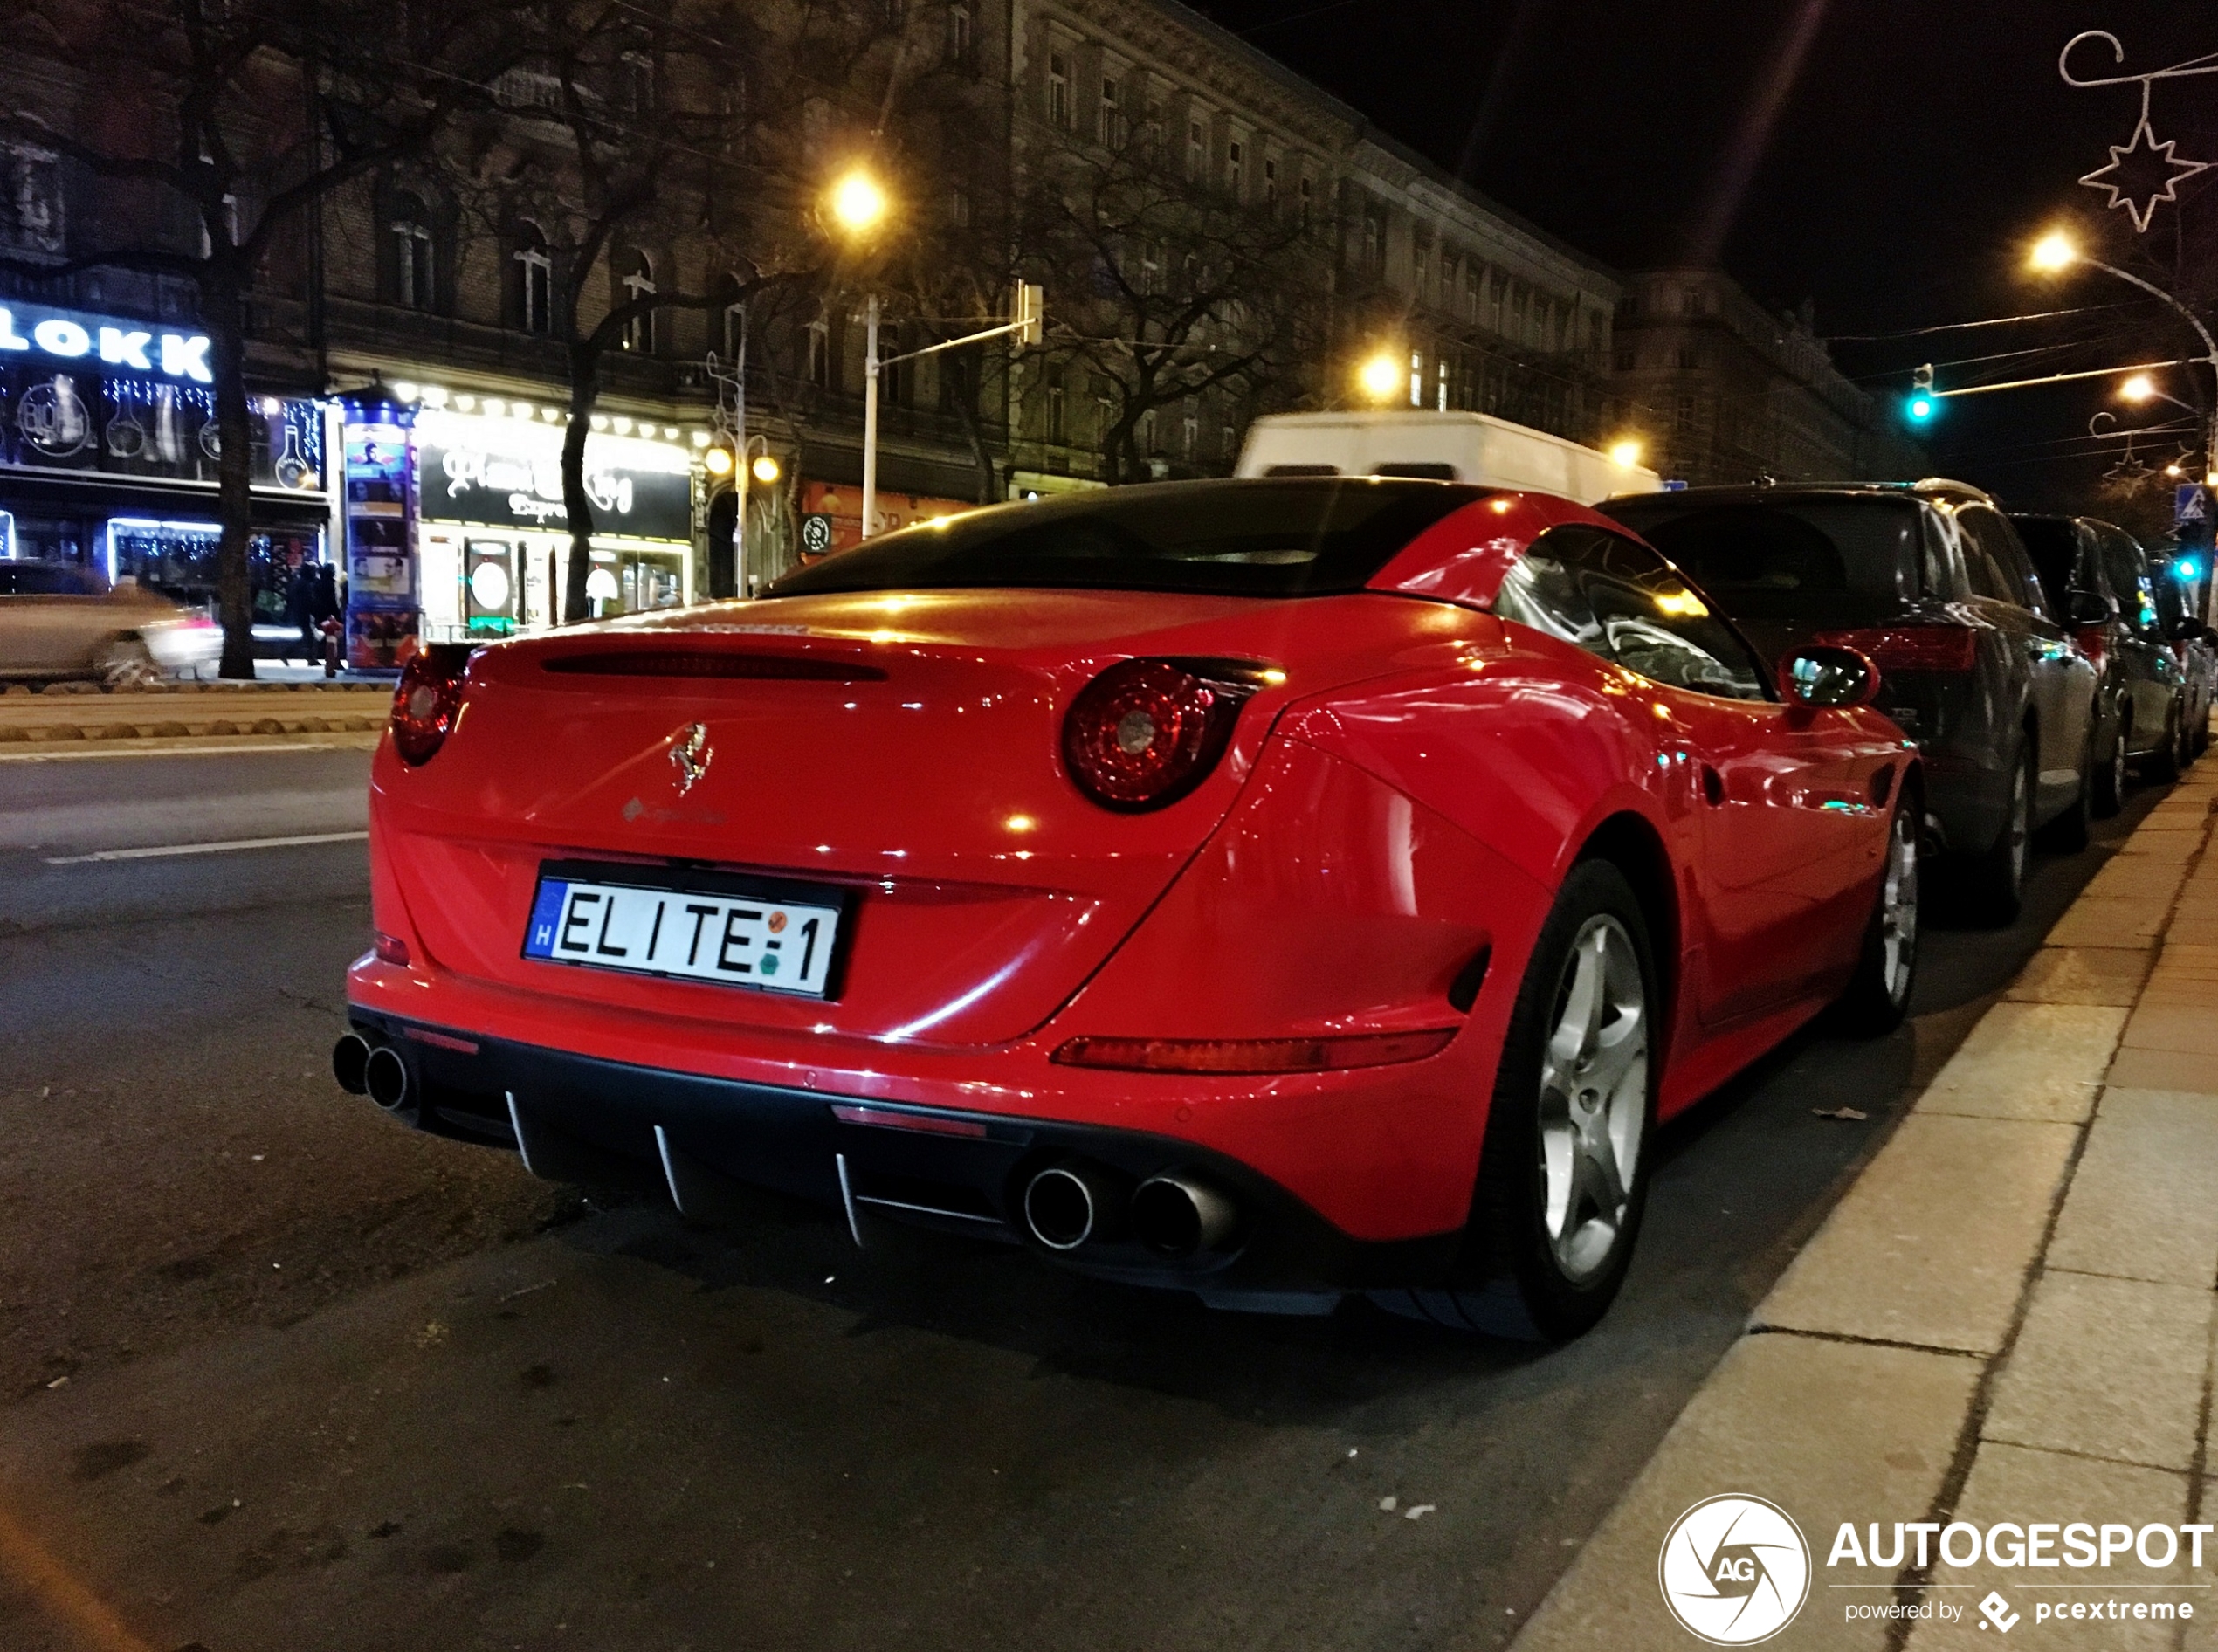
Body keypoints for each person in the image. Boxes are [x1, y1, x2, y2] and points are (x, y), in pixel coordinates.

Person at [286, 558, 319, 664]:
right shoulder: (306, 584)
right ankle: (310, 658)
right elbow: (308, 600)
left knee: (307, 636)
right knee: (309, 636)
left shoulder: (299, 582)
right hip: (304, 613)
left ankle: (287, 653)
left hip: (300, 612)